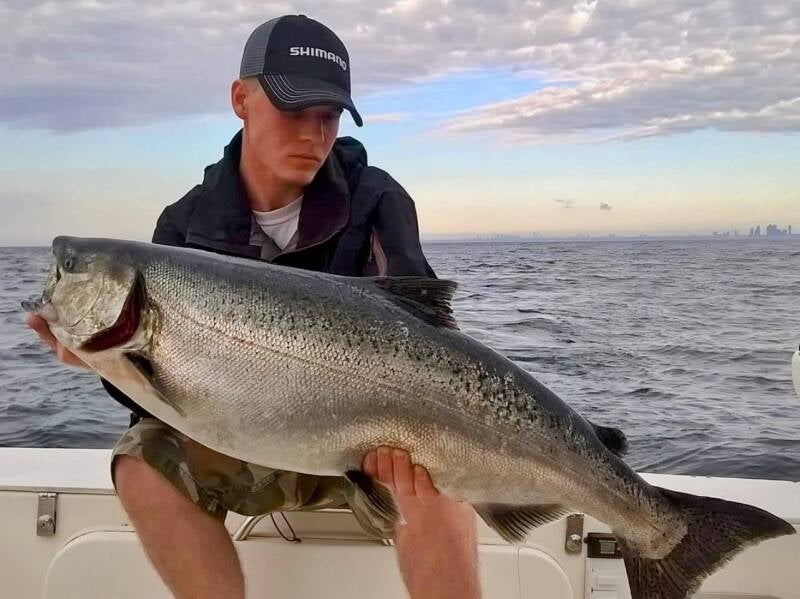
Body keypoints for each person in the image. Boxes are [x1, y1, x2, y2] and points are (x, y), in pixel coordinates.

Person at [26, 14, 481, 599]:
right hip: (245, 439)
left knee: (434, 476)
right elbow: (163, 400)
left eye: (328, 116)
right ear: (241, 99)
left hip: (371, 449)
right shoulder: (185, 225)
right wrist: (102, 363)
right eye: (294, 112)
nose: (314, 135)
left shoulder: (378, 200)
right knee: (140, 463)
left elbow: (427, 335)